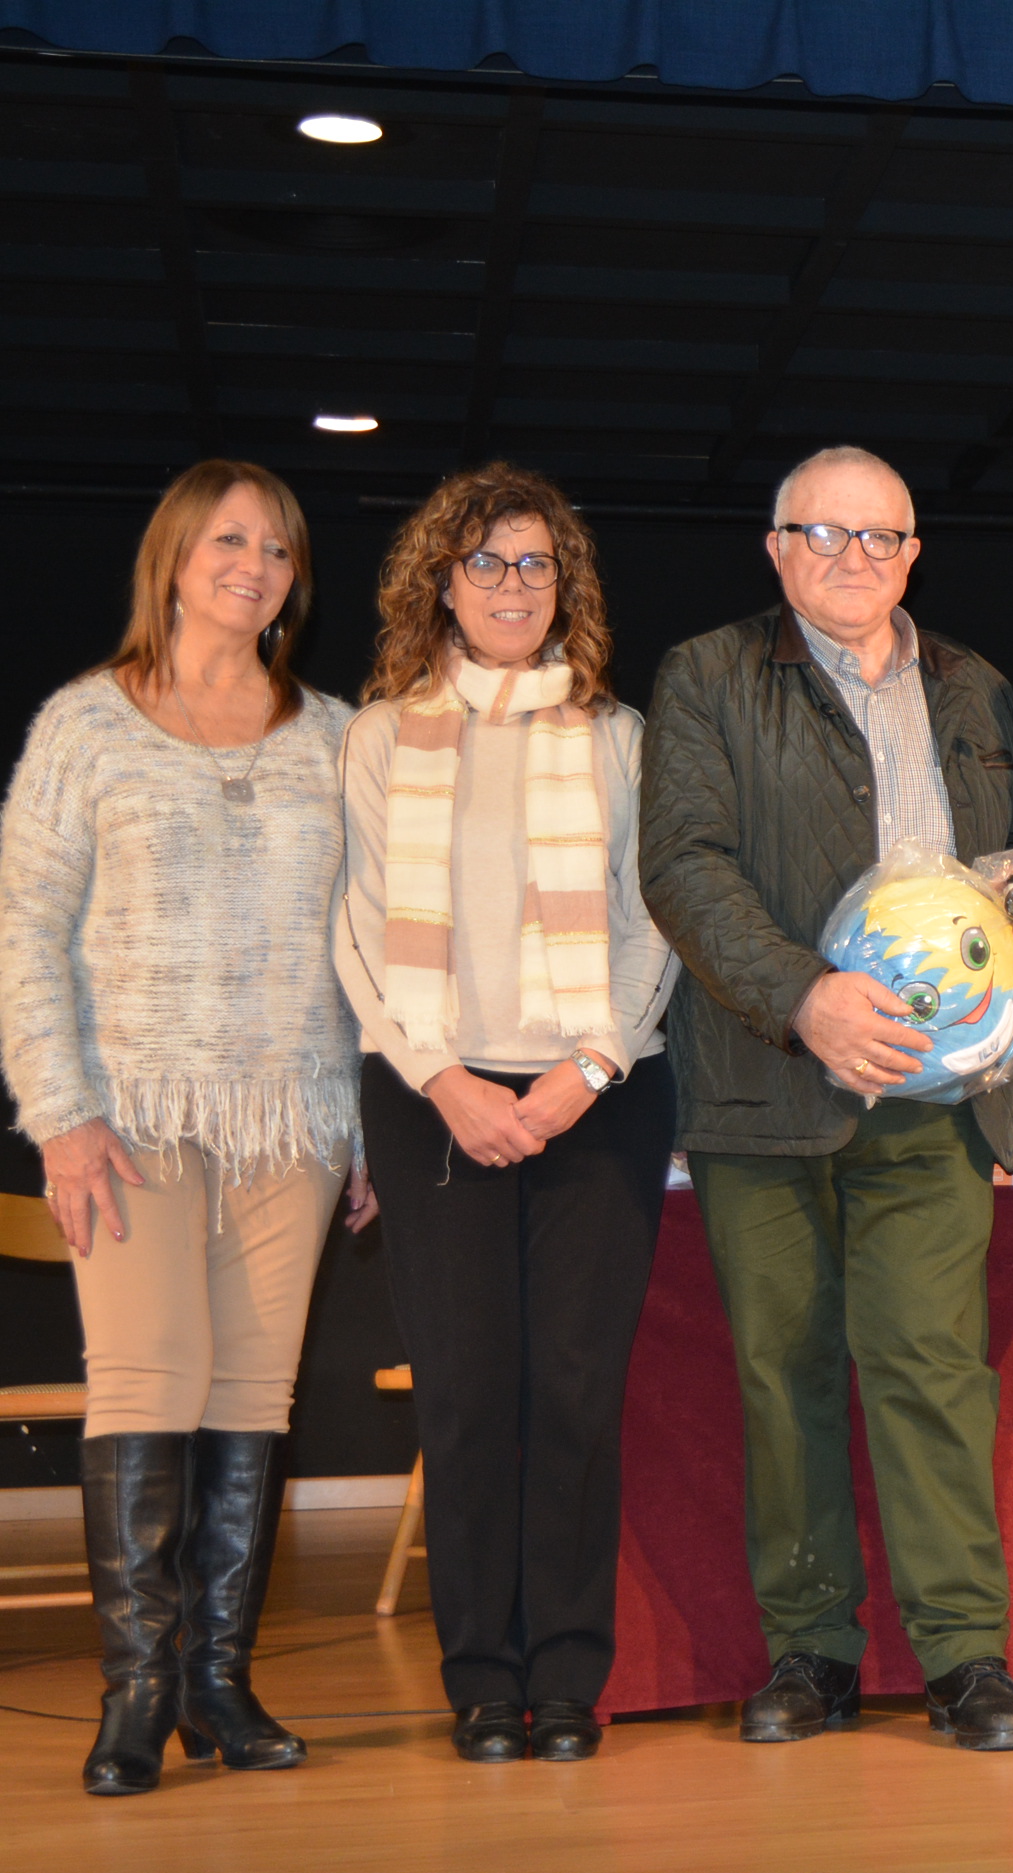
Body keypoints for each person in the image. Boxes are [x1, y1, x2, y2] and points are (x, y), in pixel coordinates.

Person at [641, 444, 1013, 1752]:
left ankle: (965, 1656)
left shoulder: (978, 688)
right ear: (776, 548)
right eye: (823, 534)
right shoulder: (705, 675)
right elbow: (684, 866)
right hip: (767, 1085)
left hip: (936, 1101)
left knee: (933, 1371)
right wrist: (805, 996)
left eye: (880, 537)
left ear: (915, 553)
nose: (853, 558)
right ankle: (812, 1653)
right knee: (785, 1376)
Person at [0, 461, 376, 1795]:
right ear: (172, 556)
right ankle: (135, 1696)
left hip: (295, 1116)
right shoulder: (83, 726)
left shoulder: (336, 736)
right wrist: (61, 1114)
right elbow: (25, 927)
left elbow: (370, 938)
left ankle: (218, 1683)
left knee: (253, 1393)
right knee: (144, 1379)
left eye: (277, 548)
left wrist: (367, 1130)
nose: (255, 566)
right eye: (229, 540)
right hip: (132, 1117)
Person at [334, 464, 680, 1761]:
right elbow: (358, 928)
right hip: (435, 1101)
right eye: (486, 562)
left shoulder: (618, 735)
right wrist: (445, 1081)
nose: (512, 585)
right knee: (470, 1398)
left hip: (599, 1097)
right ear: (442, 582)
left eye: (536, 563)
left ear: (564, 584)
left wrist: (589, 1067)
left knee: (575, 1394)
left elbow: (657, 917)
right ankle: (483, 1676)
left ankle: (568, 1676)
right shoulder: (380, 737)